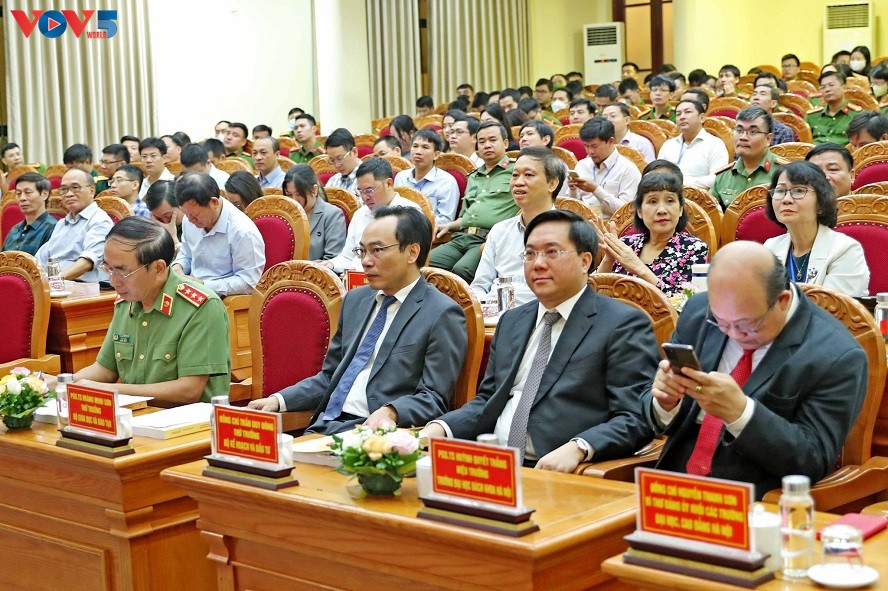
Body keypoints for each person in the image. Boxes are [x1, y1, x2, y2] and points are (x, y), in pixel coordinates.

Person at [423, 210, 660, 472]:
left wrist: (581, 447)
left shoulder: (622, 324)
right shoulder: (512, 320)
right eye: (530, 253)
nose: (537, 264)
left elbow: (635, 416)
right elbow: (488, 401)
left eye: (552, 252)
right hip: (493, 462)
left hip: (559, 470)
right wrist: (439, 428)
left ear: (585, 261)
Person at [644, 241, 867, 499]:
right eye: (721, 322)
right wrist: (665, 403)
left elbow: (811, 460)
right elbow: (648, 414)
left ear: (783, 300)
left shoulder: (836, 355)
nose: (733, 334)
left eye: (747, 326)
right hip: (670, 486)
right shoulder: (698, 311)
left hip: (758, 499)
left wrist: (740, 412)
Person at [248, 206, 467, 435]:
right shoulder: (356, 301)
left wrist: (392, 412)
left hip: (374, 434)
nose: (366, 261)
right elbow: (330, 376)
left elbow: (433, 397)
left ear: (412, 252)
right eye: (362, 251)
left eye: (377, 250)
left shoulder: (441, 313)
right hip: (324, 426)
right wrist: (278, 400)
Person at [71, 217, 230, 404]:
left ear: (158, 268)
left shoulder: (201, 306)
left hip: (189, 419)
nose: (113, 281)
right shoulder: (126, 302)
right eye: (108, 269)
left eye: (122, 272)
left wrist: (111, 390)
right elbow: (105, 369)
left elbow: (189, 390)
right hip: (136, 414)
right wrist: (61, 383)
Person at [471, 147, 564, 305]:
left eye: (528, 175)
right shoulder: (500, 230)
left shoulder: (567, 232)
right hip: (494, 312)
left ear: (552, 184)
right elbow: (479, 286)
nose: (518, 182)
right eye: (515, 175)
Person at [430, 121, 519, 282]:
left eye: (493, 140)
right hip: (462, 237)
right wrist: (450, 225)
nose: (487, 145)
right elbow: (466, 215)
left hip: (489, 239)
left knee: (462, 270)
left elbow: (525, 207)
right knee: (425, 264)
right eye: (482, 142)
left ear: (505, 143)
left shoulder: (516, 172)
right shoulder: (473, 176)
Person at [763, 161, 869, 296]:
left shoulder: (845, 249)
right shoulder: (771, 247)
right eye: (780, 191)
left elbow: (834, 306)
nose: (786, 199)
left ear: (821, 203)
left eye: (799, 191)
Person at [597, 171, 708, 296]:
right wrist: (608, 260)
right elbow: (592, 294)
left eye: (670, 200)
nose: (662, 210)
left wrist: (640, 268)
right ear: (639, 211)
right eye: (653, 201)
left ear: (680, 210)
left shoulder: (694, 248)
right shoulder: (625, 244)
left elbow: (687, 302)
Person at [171, 172, 265, 296]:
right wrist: (179, 266)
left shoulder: (242, 232)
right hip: (192, 291)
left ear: (214, 202)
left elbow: (248, 283)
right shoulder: (189, 218)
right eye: (186, 214)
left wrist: (203, 285)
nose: (190, 220)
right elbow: (187, 253)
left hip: (223, 298)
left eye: (195, 215)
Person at [323, 158, 420, 273]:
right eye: (361, 191)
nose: (365, 197)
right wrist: (331, 265)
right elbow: (348, 256)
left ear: (388, 184)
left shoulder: (410, 213)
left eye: (369, 190)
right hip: (354, 277)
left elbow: (410, 262)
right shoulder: (360, 214)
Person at [36, 169, 113, 282]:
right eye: (64, 189)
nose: (69, 194)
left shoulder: (100, 221)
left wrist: (53, 281)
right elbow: (41, 259)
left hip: (83, 287)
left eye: (75, 188)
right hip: (54, 284)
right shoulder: (61, 223)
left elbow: (88, 261)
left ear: (91, 191)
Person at [568, 117, 641, 217]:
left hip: (613, 224)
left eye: (595, 146)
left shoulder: (628, 170)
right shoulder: (582, 165)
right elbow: (572, 208)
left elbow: (628, 212)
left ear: (611, 141)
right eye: (586, 146)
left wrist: (596, 190)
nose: (590, 152)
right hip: (582, 223)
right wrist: (573, 190)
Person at [711, 107, 783, 208]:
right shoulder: (723, 176)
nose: (743, 137)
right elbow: (712, 213)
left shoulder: (784, 172)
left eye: (753, 132)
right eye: (739, 130)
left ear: (768, 139)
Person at [658, 99, 729, 190]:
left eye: (687, 112)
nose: (682, 117)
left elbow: (717, 178)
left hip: (700, 196)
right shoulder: (668, 145)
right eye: (678, 114)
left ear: (702, 118)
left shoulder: (715, 144)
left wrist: (680, 183)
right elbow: (657, 174)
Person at [394, 129, 459, 225]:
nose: (418, 152)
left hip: (430, 231)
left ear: (436, 155)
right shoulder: (401, 177)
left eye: (425, 147)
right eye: (415, 146)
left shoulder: (447, 181)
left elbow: (445, 219)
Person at [283, 165, 346, 261]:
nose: (294, 200)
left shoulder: (332, 215)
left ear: (314, 190)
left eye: (299, 194)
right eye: (289, 194)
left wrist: (299, 267)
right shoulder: (283, 216)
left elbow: (332, 259)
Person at [2, 172, 56, 255]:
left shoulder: (53, 228)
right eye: (18, 193)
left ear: (44, 194)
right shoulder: (15, 229)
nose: (22, 198)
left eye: (28, 192)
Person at [807, 71, 862, 144]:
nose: (827, 90)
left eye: (831, 85)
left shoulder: (857, 115)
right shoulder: (812, 116)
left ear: (844, 88)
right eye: (823, 87)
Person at [144, 180, 182, 248]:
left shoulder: (196, 225)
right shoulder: (154, 226)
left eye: (168, 216)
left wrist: (173, 237)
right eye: (159, 219)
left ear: (181, 204)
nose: (165, 222)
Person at [324, 128, 361, 195]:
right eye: (332, 160)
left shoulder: (369, 178)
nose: (337, 165)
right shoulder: (333, 181)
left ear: (354, 152)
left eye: (340, 158)